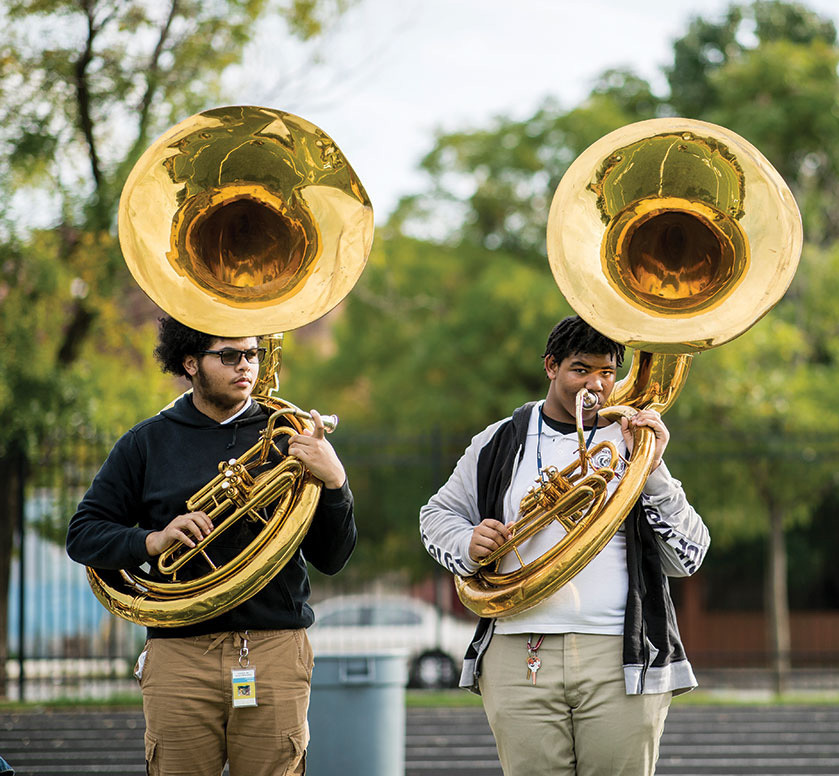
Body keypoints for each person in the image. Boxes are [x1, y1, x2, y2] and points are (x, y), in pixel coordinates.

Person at [419, 315, 709, 776]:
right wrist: (467, 541)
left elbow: (688, 557)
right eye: (581, 369)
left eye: (608, 372)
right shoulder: (499, 440)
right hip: (519, 652)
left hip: (620, 652)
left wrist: (652, 469)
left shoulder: (632, 441)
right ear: (551, 366)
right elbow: (435, 517)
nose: (595, 385)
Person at [66, 317, 356, 776]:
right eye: (229, 356)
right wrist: (152, 539)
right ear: (190, 363)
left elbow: (333, 558)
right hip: (180, 653)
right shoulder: (147, 441)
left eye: (252, 354)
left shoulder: (290, 436)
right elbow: (83, 533)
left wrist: (336, 481)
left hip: (274, 648)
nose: (246, 366)